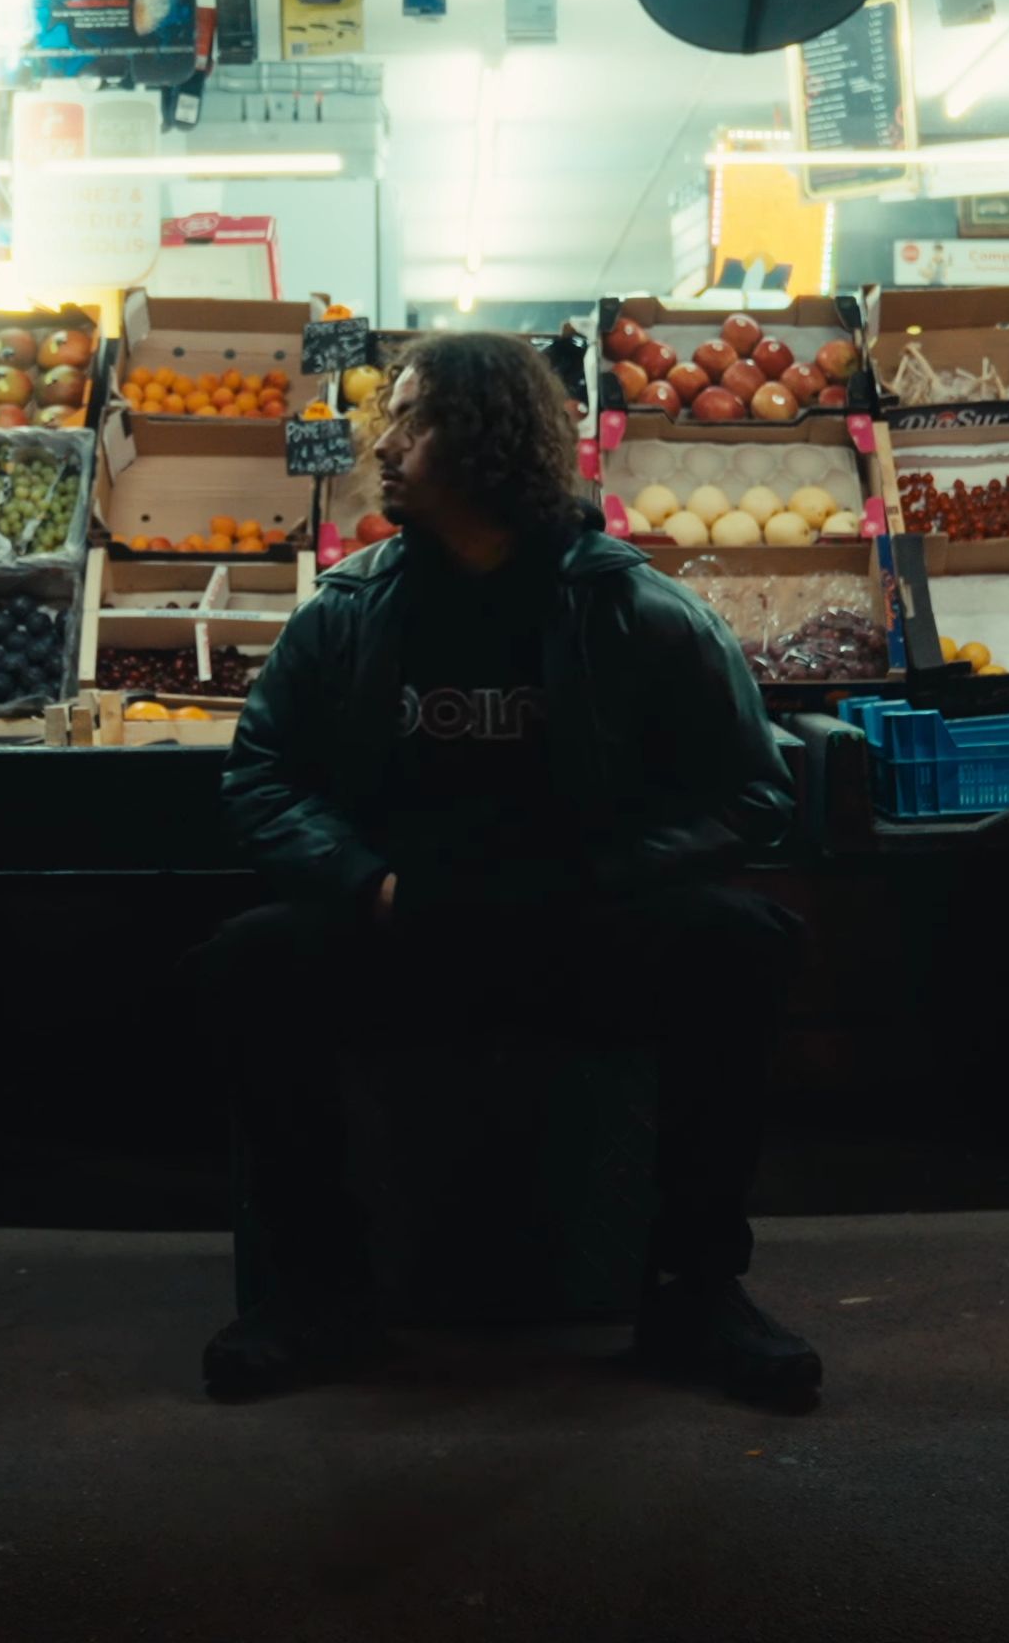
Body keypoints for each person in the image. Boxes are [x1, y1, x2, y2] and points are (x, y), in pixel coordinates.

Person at [202, 330, 817, 1404]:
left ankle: (695, 1292)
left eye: (412, 420)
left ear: (484, 441)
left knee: (741, 948)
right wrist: (362, 884)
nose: (381, 445)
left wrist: (604, 879)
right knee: (254, 962)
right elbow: (261, 778)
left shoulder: (636, 609)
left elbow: (756, 790)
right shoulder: (347, 613)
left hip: (582, 923)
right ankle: (316, 1295)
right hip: (408, 924)